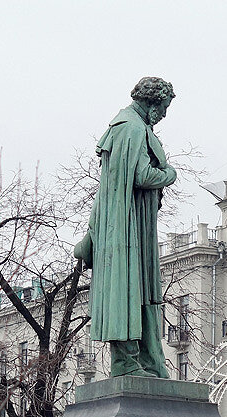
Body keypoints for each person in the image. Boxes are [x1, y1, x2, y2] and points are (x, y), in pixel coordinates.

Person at [75, 76, 178, 378]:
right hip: (126, 228)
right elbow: (142, 176)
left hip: (134, 223)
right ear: (152, 101)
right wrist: (169, 174)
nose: (164, 114)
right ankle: (126, 362)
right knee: (129, 286)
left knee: (141, 287)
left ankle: (149, 360)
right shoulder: (131, 128)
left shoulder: (132, 126)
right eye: (164, 107)